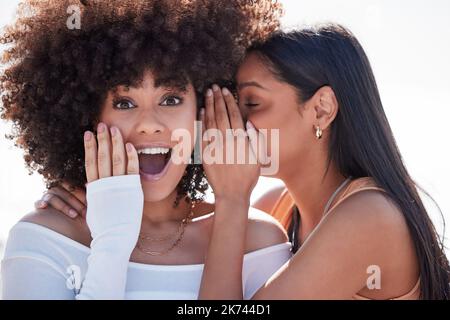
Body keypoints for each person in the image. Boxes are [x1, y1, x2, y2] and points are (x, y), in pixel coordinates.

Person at [0, 0, 290, 300]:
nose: (149, 124)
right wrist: (112, 241)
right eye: (124, 103)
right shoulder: (45, 236)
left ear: (202, 112)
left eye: (171, 99)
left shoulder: (259, 241)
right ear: (88, 116)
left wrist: (232, 203)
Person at [197, 24, 450, 300]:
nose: (234, 123)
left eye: (253, 103)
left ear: (321, 109)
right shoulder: (276, 207)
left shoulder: (371, 216)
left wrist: (232, 199)